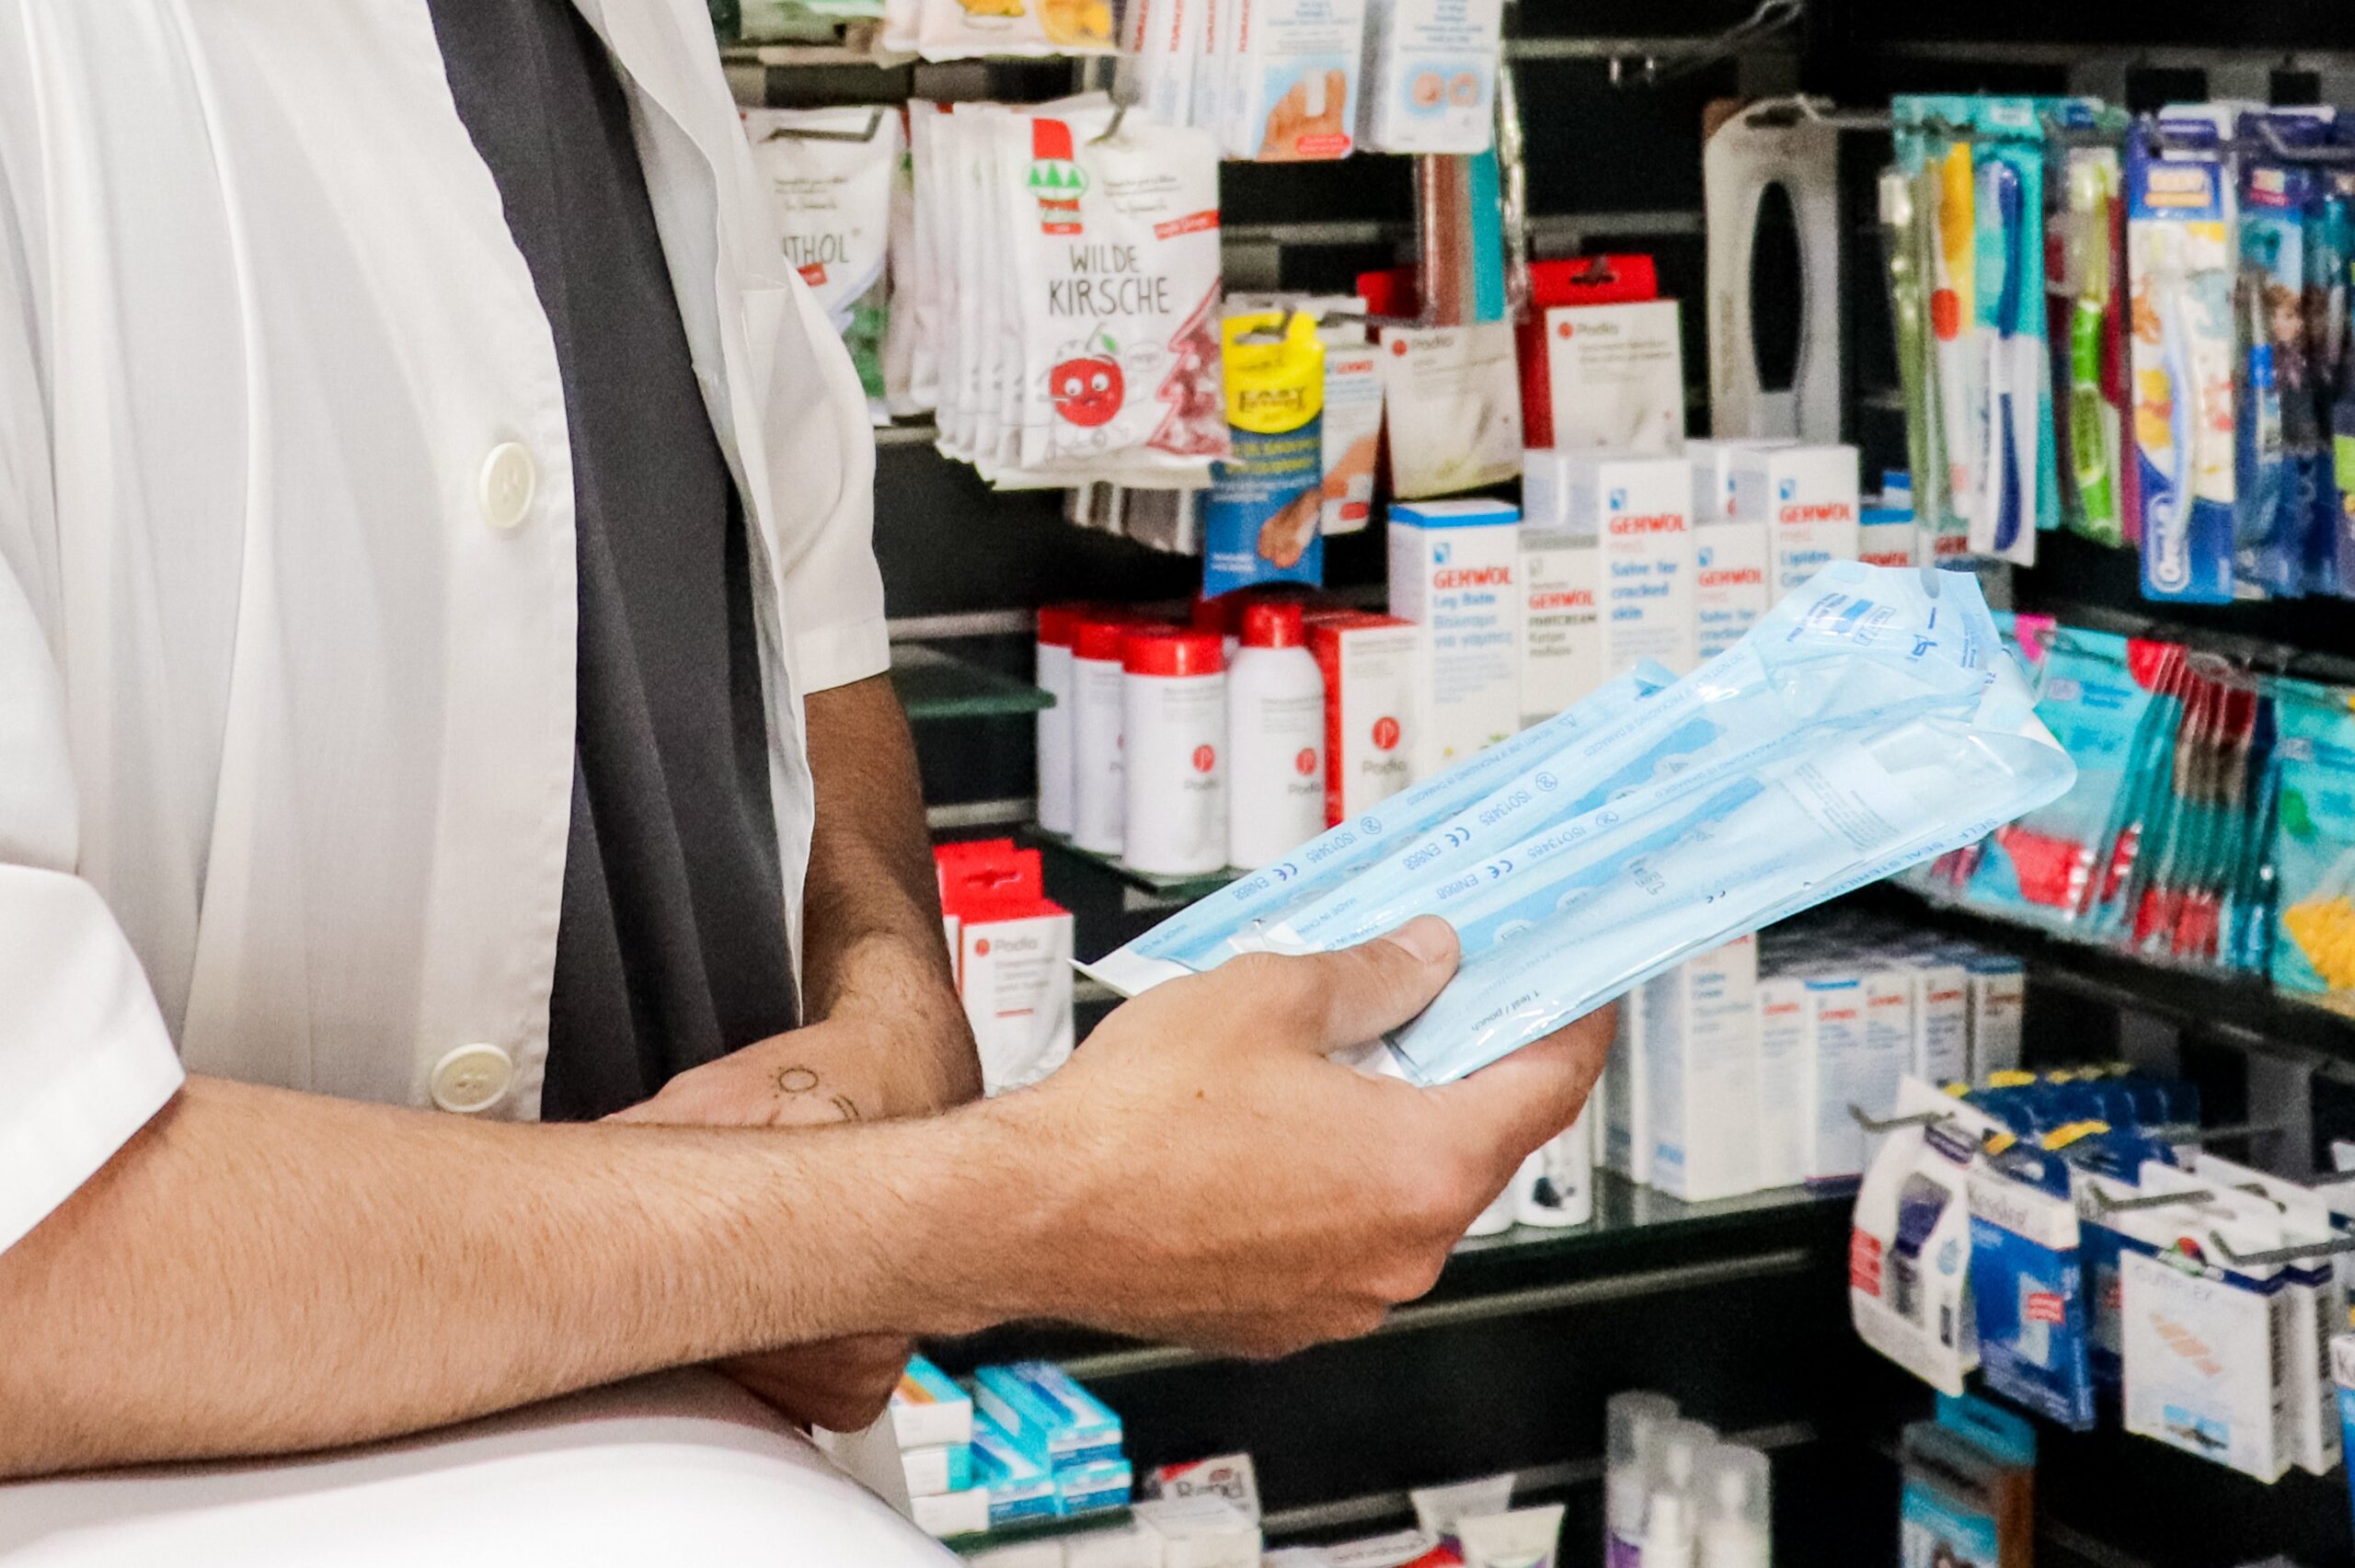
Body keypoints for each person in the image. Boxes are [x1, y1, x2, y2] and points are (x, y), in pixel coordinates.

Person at [0, 0, 1609, 1554]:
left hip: (727, 1482)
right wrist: (994, 1208)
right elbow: (33, 1259)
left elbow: (807, 634)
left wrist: (892, 997)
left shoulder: (633, 34)